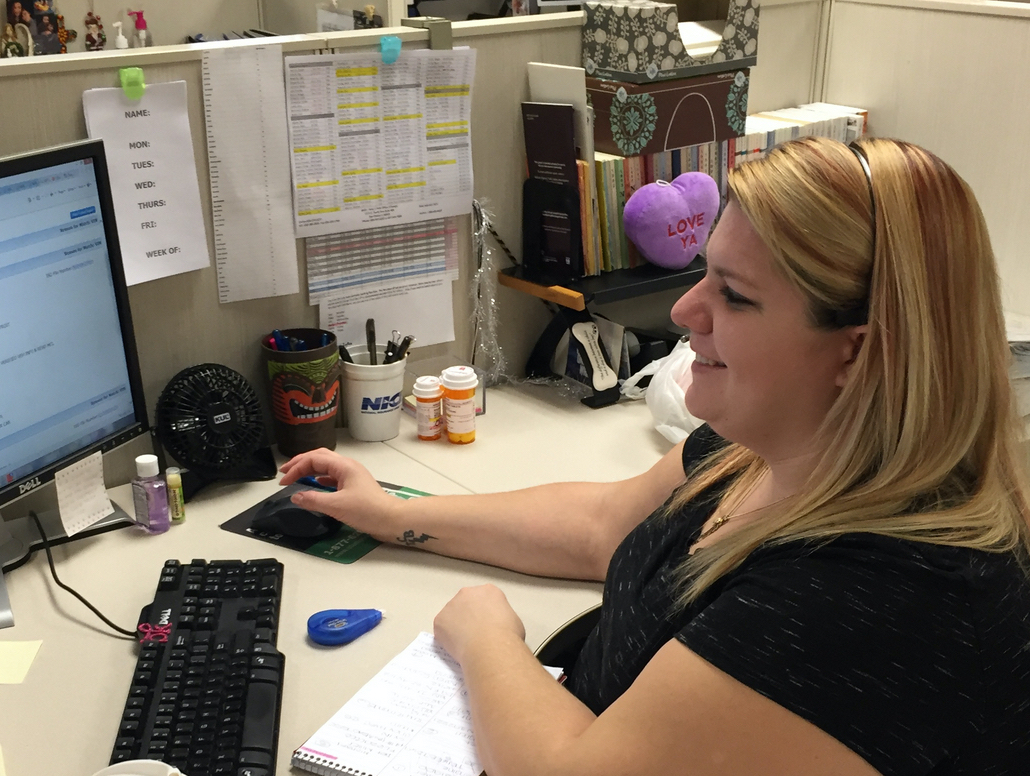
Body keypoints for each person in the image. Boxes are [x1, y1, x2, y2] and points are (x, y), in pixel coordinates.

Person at [280, 136, 1030, 775]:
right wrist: (395, 514)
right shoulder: (771, 445)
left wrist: (486, 639)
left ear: (857, 353)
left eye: (733, 295)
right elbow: (601, 525)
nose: (683, 311)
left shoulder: (873, 595)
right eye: (704, 270)